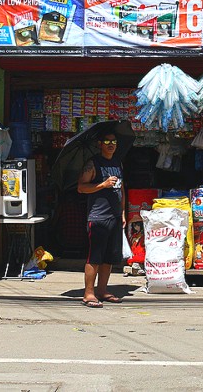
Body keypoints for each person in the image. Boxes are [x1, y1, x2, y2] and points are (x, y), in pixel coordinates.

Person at [77, 131, 125, 308]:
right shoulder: (93, 163)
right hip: (98, 216)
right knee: (95, 257)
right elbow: (81, 187)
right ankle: (88, 293)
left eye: (114, 141)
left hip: (114, 215)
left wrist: (122, 212)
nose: (111, 144)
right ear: (100, 144)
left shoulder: (117, 162)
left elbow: (122, 188)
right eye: (107, 140)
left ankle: (102, 290)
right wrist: (102, 185)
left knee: (109, 258)